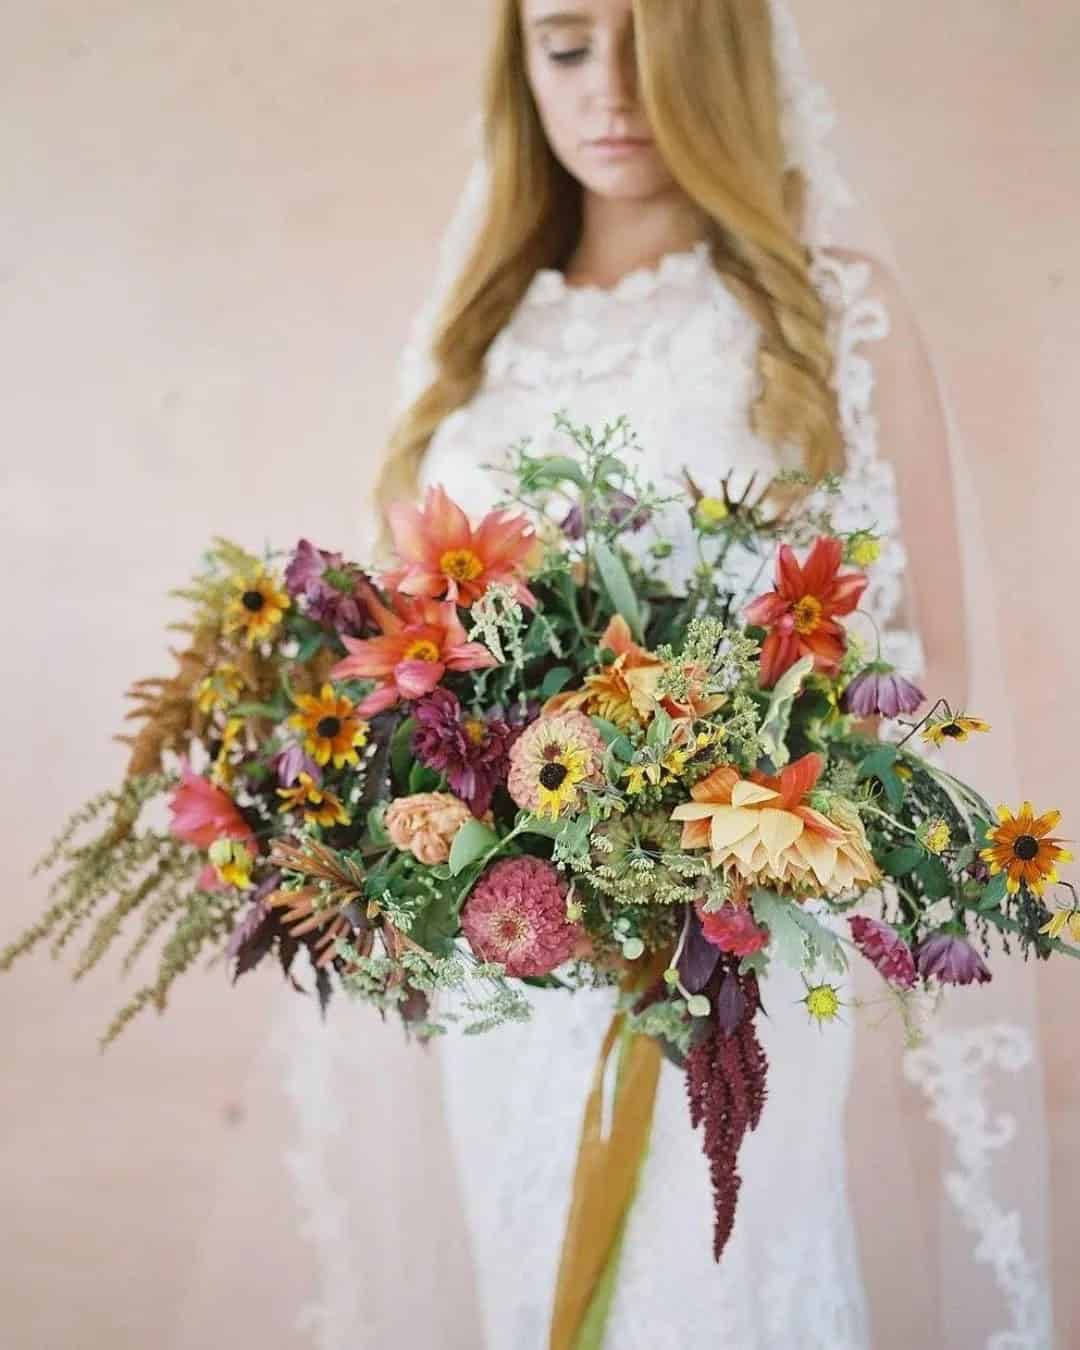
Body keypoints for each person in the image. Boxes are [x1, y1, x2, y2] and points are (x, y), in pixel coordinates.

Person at [278, 3, 1056, 1346]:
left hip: (732, 938)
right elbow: (405, 647)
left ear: (730, 58)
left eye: (656, 44)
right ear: (519, 68)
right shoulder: (472, 342)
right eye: (568, 43)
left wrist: (710, 798)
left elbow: (930, 666)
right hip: (511, 950)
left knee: (725, 1276)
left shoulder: (836, 316)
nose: (612, 91)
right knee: (537, 1273)